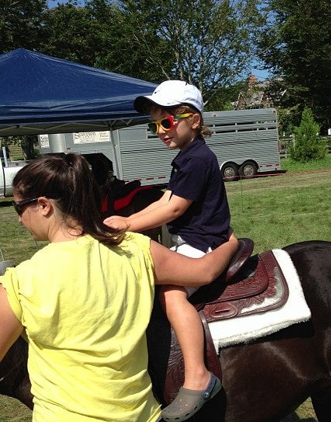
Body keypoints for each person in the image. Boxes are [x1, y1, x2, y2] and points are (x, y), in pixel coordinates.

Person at [0, 153, 238, 422]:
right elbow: (204, 272)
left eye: (18, 207)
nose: (19, 219)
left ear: (44, 205)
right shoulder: (135, 249)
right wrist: (230, 244)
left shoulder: (22, 280)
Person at [103, 80, 232, 421]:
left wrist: (127, 225)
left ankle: (198, 376)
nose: (160, 131)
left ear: (193, 119)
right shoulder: (186, 156)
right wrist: (130, 219)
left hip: (203, 243)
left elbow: (174, 210)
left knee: (171, 293)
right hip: (190, 240)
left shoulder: (197, 159)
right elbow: (165, 199)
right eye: (155, 124)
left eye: (167, 122)